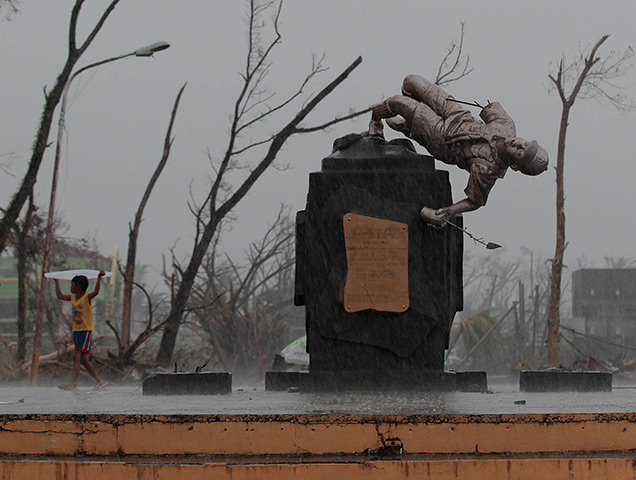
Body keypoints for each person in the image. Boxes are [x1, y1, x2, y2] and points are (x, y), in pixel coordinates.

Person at [369, 74, 549, 226]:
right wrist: (482, 105)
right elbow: (487, 108)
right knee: (411, 82)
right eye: (525, 144)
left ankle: (377, 119)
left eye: (521, 152)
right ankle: (412, 124)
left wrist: (448, 211)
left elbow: (475, 201)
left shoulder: (488, 170)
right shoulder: (507, 125)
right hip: (458, 115)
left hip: (444, 140)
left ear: (515, 165)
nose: (519, 144)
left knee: (398, 103)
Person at [55, 271, 107, 391]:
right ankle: (100, 381)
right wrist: (56, 282)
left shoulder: (86, 298)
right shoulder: (73, 297)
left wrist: (99, 278)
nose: (70, 287)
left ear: (78, 286)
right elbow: (60, 296)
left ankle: (73, 383)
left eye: (72, 285)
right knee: (82, 359)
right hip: (77, 331)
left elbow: (96, 292)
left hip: (85, 330)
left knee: (76, 355)